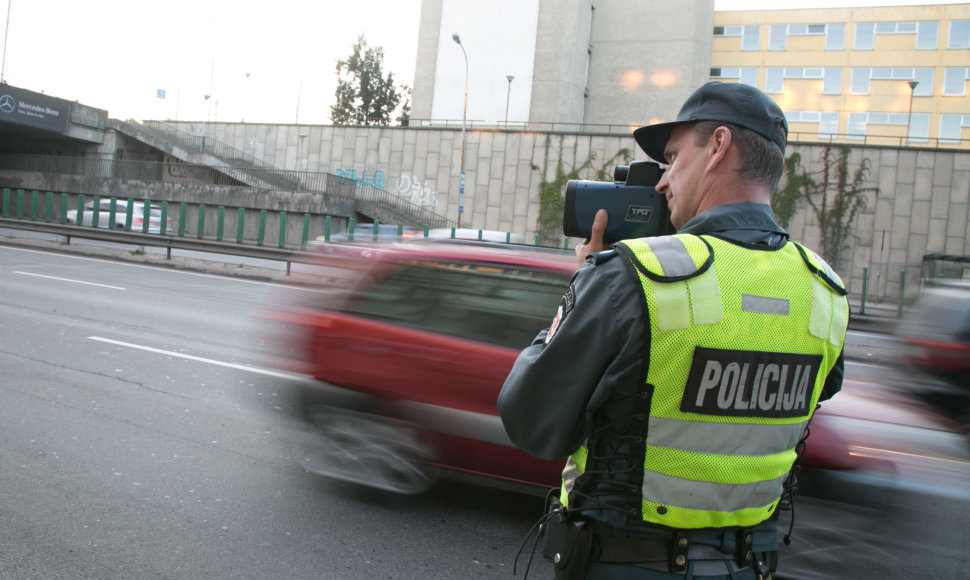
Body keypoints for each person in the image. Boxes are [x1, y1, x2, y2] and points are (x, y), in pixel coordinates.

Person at [497, 81, 848, 580]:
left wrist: (586, 280)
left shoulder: (632, 276)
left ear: (719, 146)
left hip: (622, 563)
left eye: (674, 156)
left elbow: (531, 419)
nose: (662, 182)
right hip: (749, 565)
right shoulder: (826, 292)